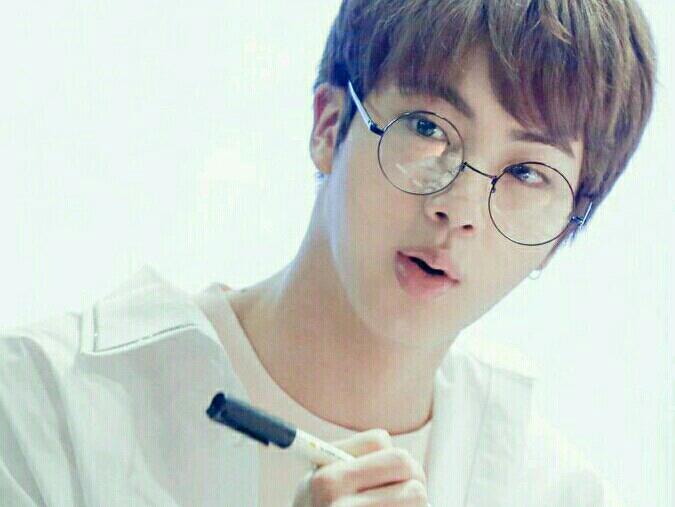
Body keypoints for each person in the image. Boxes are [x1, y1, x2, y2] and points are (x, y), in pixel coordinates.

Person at [0, 0, 655, 506]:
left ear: (563, 232)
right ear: (327, 125)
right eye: (428, 128)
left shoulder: (552, 490)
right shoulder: (47, 400)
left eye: (527, 174)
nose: (457, 207)